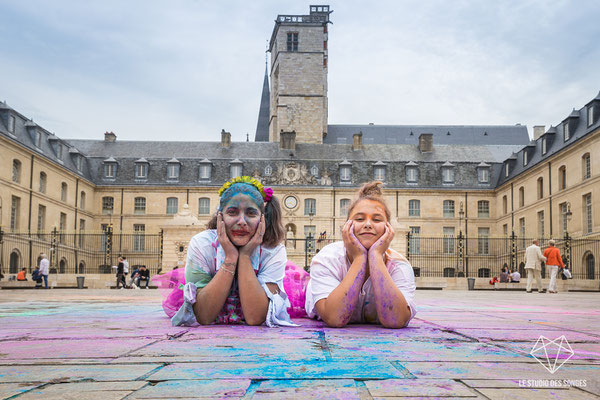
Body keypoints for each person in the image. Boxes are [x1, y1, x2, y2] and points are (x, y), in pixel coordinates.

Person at [156, 176, 295, 327]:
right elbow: (204, 316)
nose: (241, 221)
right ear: (220, 217)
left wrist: (245, 256)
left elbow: (255, 318)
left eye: (251, 213)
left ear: (262, 219)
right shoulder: (202, 244)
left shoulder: (273, 251)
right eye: (233, 212)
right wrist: (230, 257)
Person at [305, 181, 417, 329]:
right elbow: (334, 318)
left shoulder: (399, 266)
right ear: (346, 227)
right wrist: (359, 258)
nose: (368, 224)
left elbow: (395, 320)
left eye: (377, 219)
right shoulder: (327, 259)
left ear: (388, 229)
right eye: (359, 219)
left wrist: (376, 256)